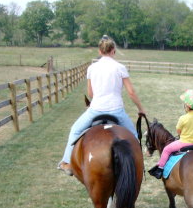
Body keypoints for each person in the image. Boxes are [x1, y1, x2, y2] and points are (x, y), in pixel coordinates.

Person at [58, 35, 146, 175]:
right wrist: (141, 109)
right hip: (117, 110)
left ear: (99, 51)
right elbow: (131, 92)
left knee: (75, 130)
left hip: (95, 110)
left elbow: (90, 93)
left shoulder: (92, 68)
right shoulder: (120, 67)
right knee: (134, 136)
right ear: (113, 51)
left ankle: (67, 162)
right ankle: (138, 165)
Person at [149, 89, 193, 179]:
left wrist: (183, 134)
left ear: (186, 106)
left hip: (184, 142)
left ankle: (160, 169)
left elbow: (178, 130)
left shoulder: (183, 118)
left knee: (166, 149)